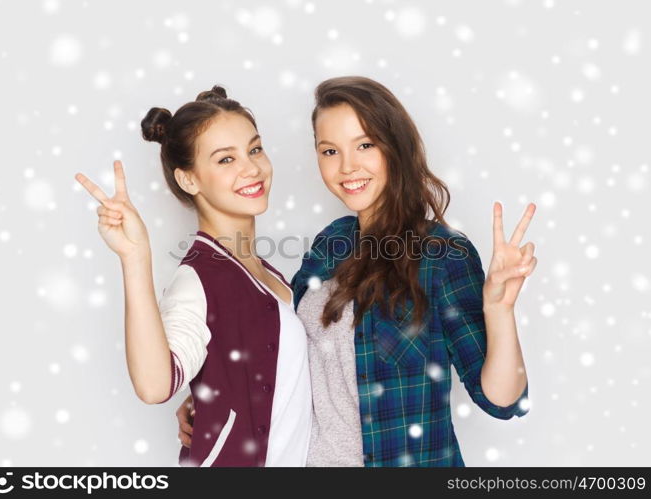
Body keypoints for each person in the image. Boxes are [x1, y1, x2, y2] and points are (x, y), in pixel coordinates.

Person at [177, 76, 537, 467]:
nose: (348, 167)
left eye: (365, 145)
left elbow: (504, 401)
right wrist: (210, 397)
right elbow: (284, 351)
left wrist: (500, 312)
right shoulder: (330, 244)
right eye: (329, 151)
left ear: (394, 147)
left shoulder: (440, 256)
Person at [74, 86, 312, 467]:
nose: (251, 168)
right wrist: (136, 257)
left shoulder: (271, 275)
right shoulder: (199, 277)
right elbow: (154, 386)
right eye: (225, 160)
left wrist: (210, 396)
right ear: (189, 180)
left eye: (254, 149)